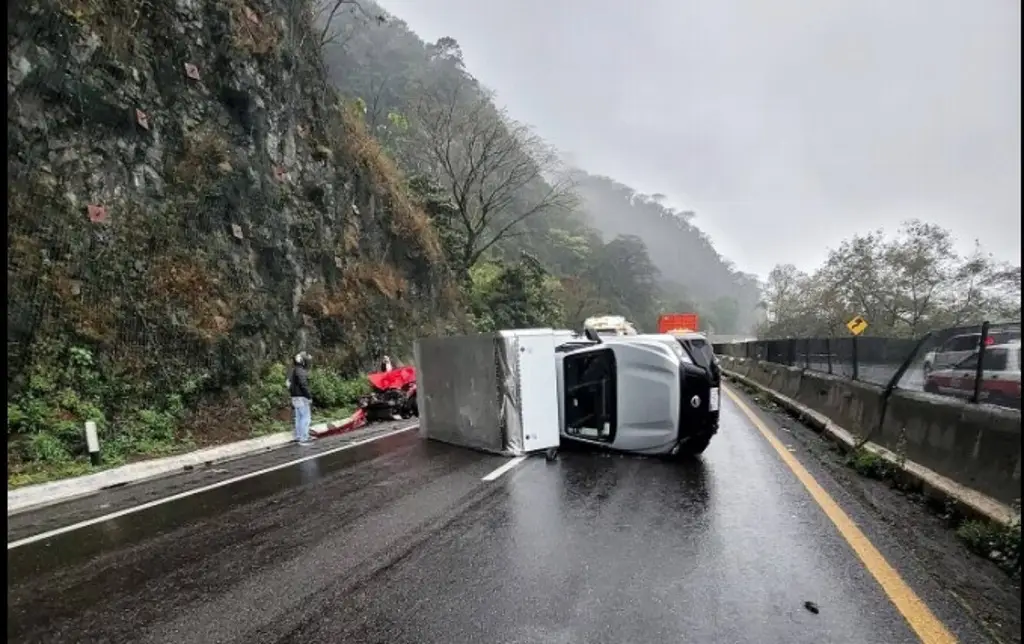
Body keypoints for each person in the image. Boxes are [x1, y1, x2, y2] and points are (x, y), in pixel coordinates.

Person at [287, 352, 314, 445]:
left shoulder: (292, 371)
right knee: (305, 418)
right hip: (302, 397)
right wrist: (309, 396)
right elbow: (303, 384)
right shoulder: (301, 371)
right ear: (302, 361)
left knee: (298, 417)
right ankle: (304, 438)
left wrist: (293, 393)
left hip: (294, 397)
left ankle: (299, 436)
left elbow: (288, 384)